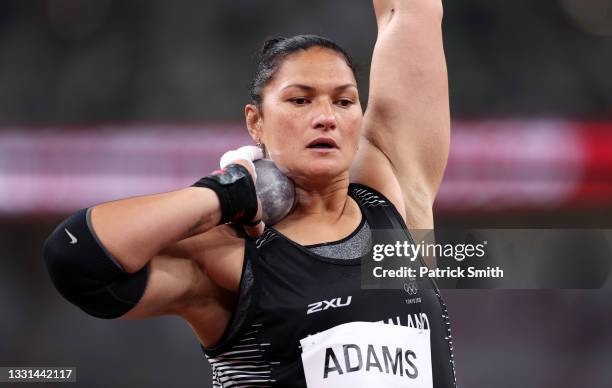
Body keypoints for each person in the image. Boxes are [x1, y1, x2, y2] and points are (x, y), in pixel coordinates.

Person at [44, 0, 454, 386]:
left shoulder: (393, 202)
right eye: (300, 100)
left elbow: (410, 11)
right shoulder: (231, 252)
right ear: (256, 123)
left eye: (344, 101)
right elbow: (75, 259)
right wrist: (223, 194)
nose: (327, 117)